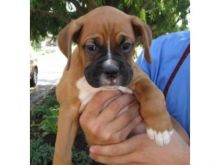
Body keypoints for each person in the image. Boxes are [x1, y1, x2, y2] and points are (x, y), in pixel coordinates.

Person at [79, 31, 190, 164]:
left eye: (125, 47)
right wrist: (100, 131)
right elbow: (130, 92)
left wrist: (184, 160)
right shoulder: (161, 49)